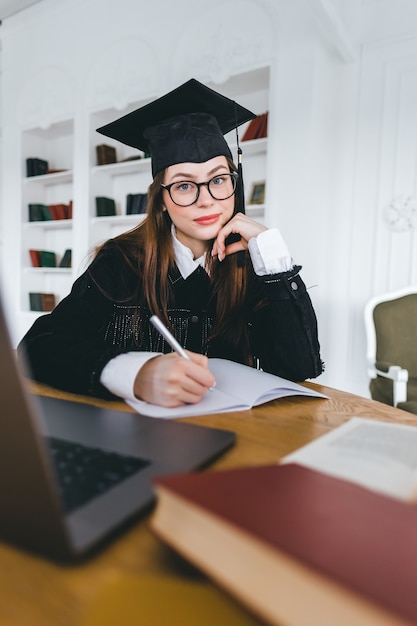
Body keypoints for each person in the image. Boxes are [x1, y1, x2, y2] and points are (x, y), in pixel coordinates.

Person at [18, 79, 323, 408]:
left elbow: (297, 368)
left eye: (219, 180)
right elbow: (38, 347)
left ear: (235, 185)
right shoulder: (121, 260)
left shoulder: (255, 266)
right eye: (184, 186)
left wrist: (274, 257)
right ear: (161, 200)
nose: (206, 200)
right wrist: (136, 373)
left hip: (234, 435)